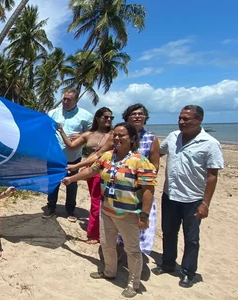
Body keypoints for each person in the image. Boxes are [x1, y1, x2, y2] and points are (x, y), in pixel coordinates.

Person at [61, 122, 157, 298]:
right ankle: (109, 272)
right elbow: (91, 170)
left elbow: (148, 191)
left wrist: (144, 216)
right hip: (107, 211)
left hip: (128, 215)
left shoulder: (140, 162)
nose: (118, 138)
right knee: (106, 244)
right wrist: (72, 178)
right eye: (116, 135)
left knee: (132, 250)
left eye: (122, 135)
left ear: (132, 138)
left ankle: (133, 284)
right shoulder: (107, 156)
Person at [155, 105, 224, 288]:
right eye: (180, 118)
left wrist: (205, 203)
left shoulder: (210, 143)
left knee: (191, 238)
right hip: (170, 195)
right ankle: (168, 264)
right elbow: (157, 152)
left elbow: (212, 176)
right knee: (168, 232)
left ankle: (187, 272)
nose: (181, 122)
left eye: (186, 119)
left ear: (199, 120)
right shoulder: (172, 136)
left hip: (193, 199)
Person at [58, 107, 114, 244]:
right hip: (92, 171)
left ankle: (106, 233)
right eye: (105, 117)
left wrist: (76, 166)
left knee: (109, 203)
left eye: (111, 118)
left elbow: (98, 154)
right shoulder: (88, 134)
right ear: (97, 118)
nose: (108, 120)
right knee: (96, 202)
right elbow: (71, 146)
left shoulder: (114, 134)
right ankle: (94, 234)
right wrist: (62, 131)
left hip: (109, 172)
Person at [44, 88, 93, 221]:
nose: (65, 101)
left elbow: (92, 136)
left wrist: (81, 136)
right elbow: (45, 130)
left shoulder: (86, 116)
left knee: (71, 183)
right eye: (64, 98)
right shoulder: (53, 113)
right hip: (53, 156)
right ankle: (51, 207)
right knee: (52, 182)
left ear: (76, 100)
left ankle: (70, 210)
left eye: (69, 99)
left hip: (73, 158)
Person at [118, 104, 161, 255]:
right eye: (134, 114)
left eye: (141, 114)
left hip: (140, 190)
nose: (137, 116)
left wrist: (143, 182)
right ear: (127, 118)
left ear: (145, 118)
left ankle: (136, 259)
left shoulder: (151, 139)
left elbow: (155, 165)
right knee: (119, 224)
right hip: (120, 188)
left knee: (139, 226)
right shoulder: (119, 136)